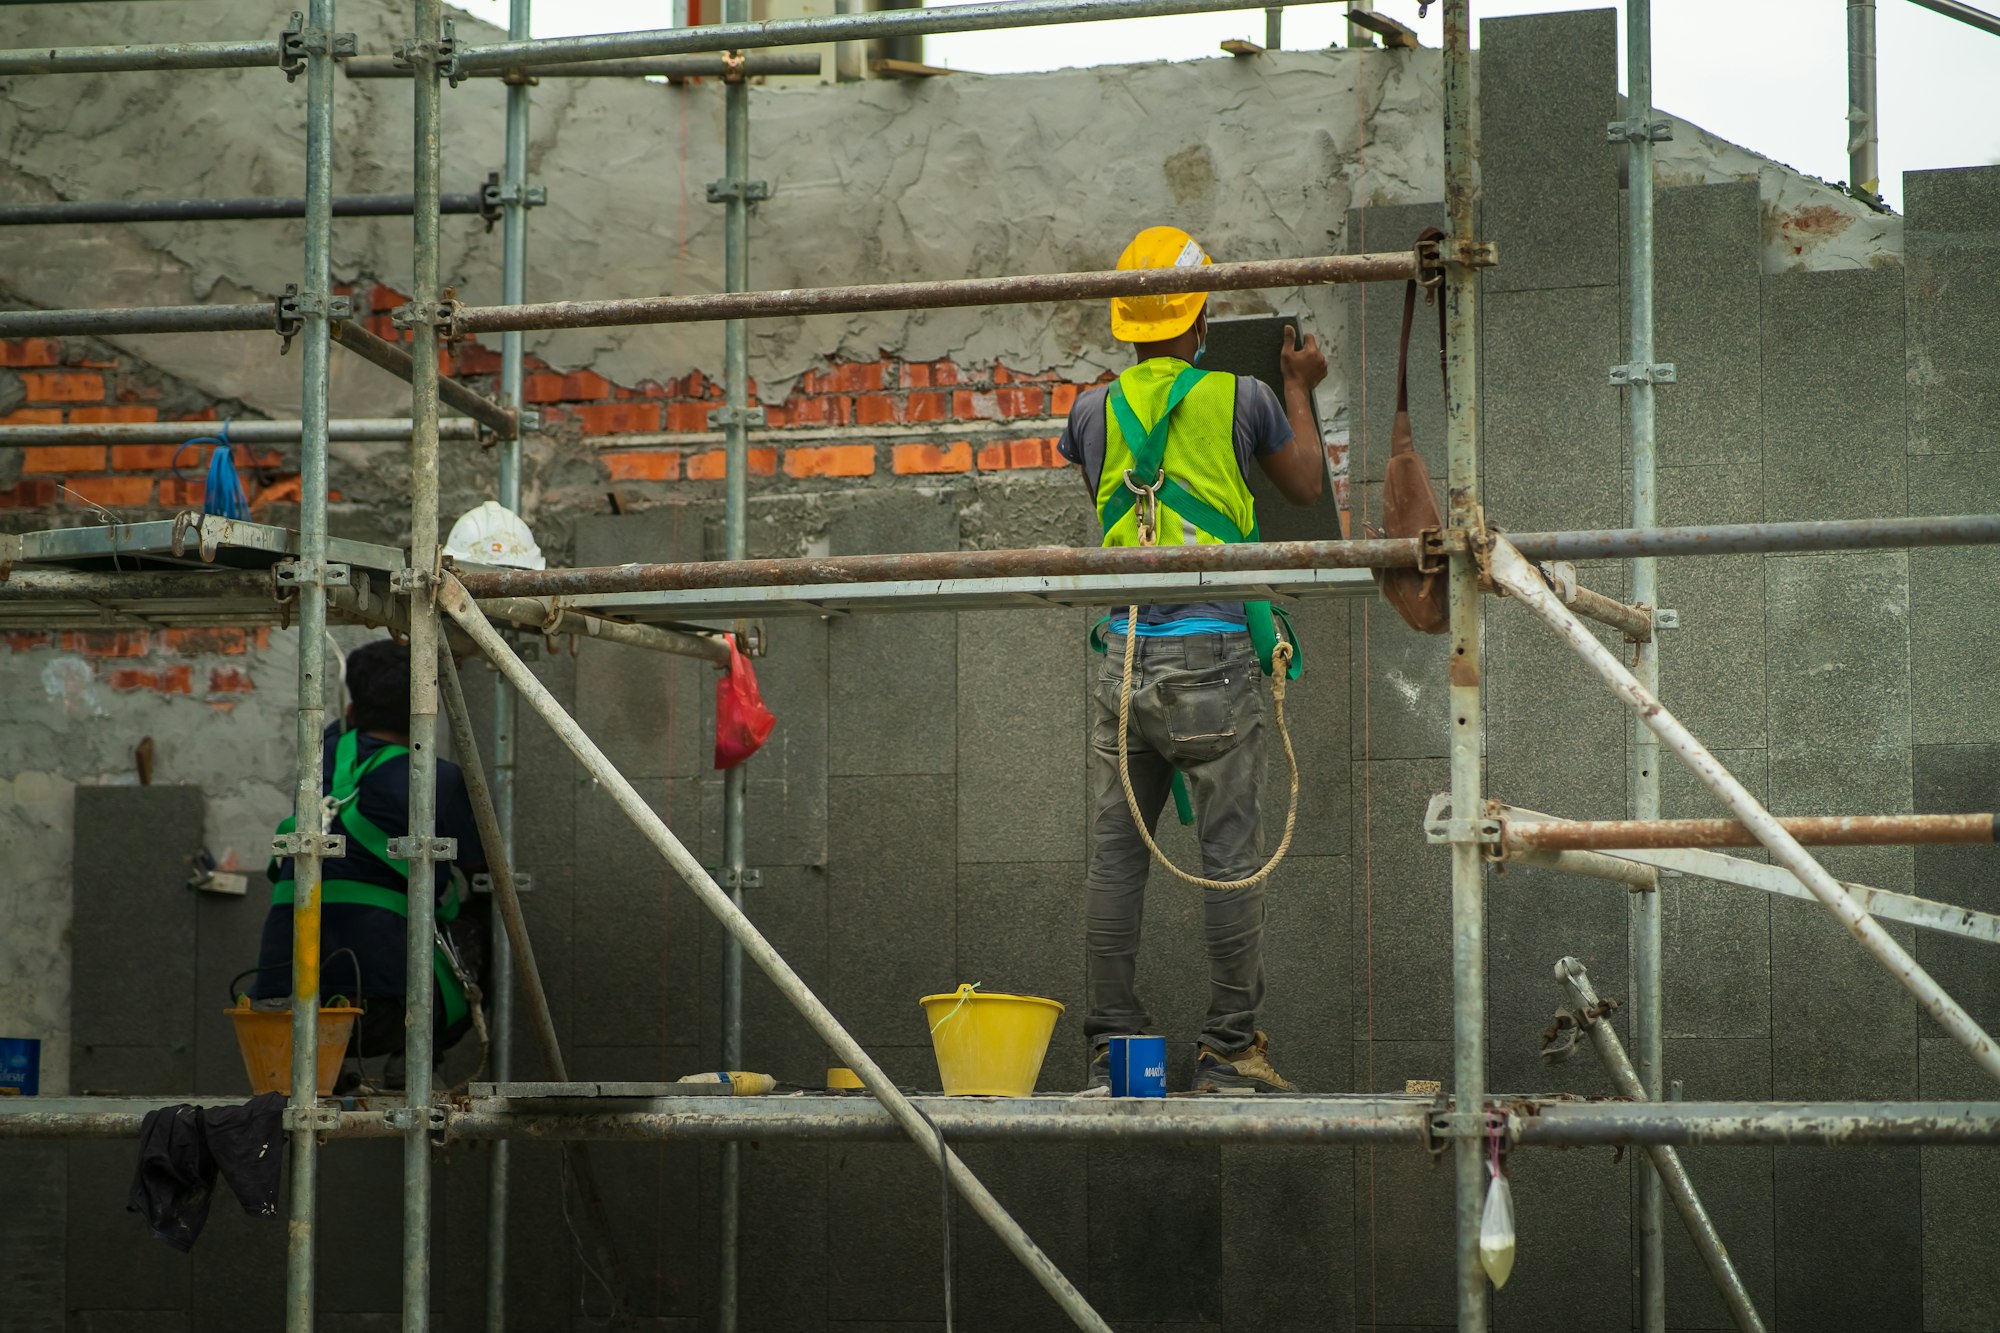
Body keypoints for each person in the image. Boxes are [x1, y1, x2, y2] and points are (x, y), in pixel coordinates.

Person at [1057, 225, 1328, 1094]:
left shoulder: (1089, 411)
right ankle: (1228, 1049)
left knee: (1115, 858)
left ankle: (1112, 1050)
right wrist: (1298, 386)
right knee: (1231, 858)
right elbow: (1303, 485)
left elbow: (1105, 485)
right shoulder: (1243, 397)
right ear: (1199, 312)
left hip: (1125, 656)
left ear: (1125, 323)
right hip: (1212, 655)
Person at [247, 638, 487, 1087]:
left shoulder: (317, 760)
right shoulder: (438, 778)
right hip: (391, 1009)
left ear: (354, 708)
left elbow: (344, 726)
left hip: (284, 1008)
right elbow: (480, 871)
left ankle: (326, 1075)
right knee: (484, 916)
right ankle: (419, 1056)